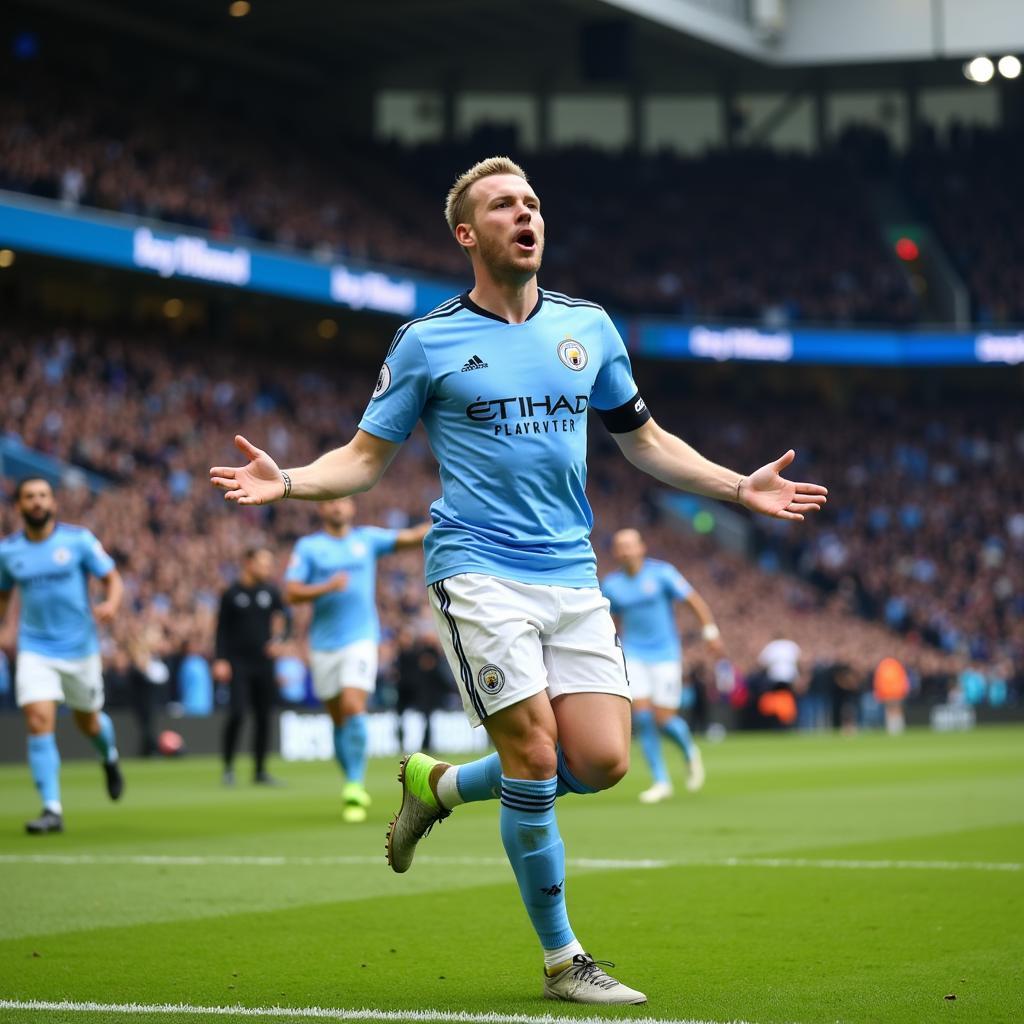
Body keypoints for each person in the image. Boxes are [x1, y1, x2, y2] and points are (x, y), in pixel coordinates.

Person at [210, 156, 828, 1004]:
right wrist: (287, 482)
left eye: (533, 203)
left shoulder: (590, 329)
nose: (525, 214)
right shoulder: (427, 342)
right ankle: (563, 959)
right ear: (468, 234)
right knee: (535, 755)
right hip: (477, 570)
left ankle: (440, 783)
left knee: (603, 761)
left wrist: (735, 485)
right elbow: (361, 460)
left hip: (572, 572)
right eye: (504, 205)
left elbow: (643, 439)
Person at [284, 498, 428, 822]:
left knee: (353, 706)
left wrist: (450, 514)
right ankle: (349, 777)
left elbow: (412, 536)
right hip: (323, 645)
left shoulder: (367, 540)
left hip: (361, 640)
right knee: (337, 718)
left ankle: (355, 783)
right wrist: (326, 587)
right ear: (321, 510)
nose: (337, 506)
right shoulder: (310, 547)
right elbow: (291, 592)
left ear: (352, 507)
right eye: (330, 501)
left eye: (343, 500)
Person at [0, 478, 124, 834]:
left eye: (42, 495)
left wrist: (112, 603)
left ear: (53, 502)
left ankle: (109, 757)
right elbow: (3, 597)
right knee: (39, 720)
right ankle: (51, 808)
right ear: (19, 506)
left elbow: (112, 578)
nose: (37, 502)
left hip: (79, 649)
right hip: (34, 648)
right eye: (29, 497)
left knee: (89, 722)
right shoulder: (8, 553)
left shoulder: (78, 540)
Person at [600, 528, 723, 803]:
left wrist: (710, 631)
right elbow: (605, 620)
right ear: (615, 552)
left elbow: (693, 600)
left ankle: (689, 750)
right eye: (620, 546)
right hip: (633, 654)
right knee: (643, 718)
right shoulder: (611, 585)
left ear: (641, 547)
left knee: (663, 718)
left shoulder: (662, 573)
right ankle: (661, 781)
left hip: (666, 654)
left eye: (630, 545)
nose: (626, 550)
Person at [214, 547, 288, 785]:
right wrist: (221, 659)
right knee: (237, 713)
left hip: (264, 664)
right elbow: (221, 630)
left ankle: (260, 771)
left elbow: (288, 619)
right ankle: (228, 767)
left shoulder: (271, 592)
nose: (268, 568)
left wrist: (280, 641)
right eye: (263, 563)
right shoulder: (231, 594)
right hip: (238, 664)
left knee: (264, 716)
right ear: (248, 563)